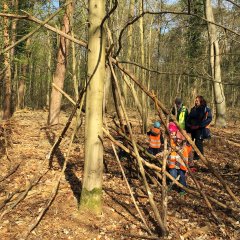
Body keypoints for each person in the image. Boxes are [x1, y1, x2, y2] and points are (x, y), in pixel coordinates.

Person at [186, 96, 212, 160]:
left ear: (201, 101)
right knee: (190, 142)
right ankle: (193, 156)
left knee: (198, 142)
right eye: (195, 100)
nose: (196, 102)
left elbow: (209, 119)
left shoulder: (205, 109)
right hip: (192, 128)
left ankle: (199, 157)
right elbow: (189, 118)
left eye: (197, 100)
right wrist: (188, 125)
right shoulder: (193, 109)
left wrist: (200, 125)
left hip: (200, 129)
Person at [167, 125, 190, 195]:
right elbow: (170, 140)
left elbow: (187, 157)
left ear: (183, 139)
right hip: (173, 164)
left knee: (182, 177)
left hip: (181, 166)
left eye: (179, 139)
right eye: (177, 138)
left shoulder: (185, 148)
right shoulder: (173, 143)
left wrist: (187, 168)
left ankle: (183, 189)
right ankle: (171, 185)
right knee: (172, 175)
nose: (177, 140)